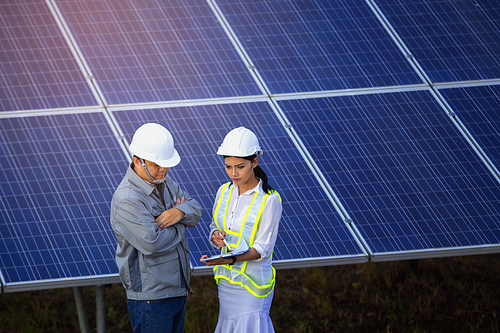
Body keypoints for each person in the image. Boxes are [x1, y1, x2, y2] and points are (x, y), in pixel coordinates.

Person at [110, 123, 202, 333]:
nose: (163, 169)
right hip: (152, 297)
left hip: (175, 290)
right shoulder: (128, 199)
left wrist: (177, 213)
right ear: (137, 161)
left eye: (166, 164)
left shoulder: (165, 181)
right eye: (156, 165)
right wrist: (182, 223)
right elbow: (152, 243)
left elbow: (196, 208)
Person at [200, 127, 282, 333]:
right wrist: (215, 237)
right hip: (227, 282)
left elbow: (263, 248)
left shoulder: (269, 200)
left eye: (240, 166)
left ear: (255, 162)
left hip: (252, 286)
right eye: (228, 166)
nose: (233, 173)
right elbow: (215, 226)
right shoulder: (223, 191)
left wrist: (229, 259)